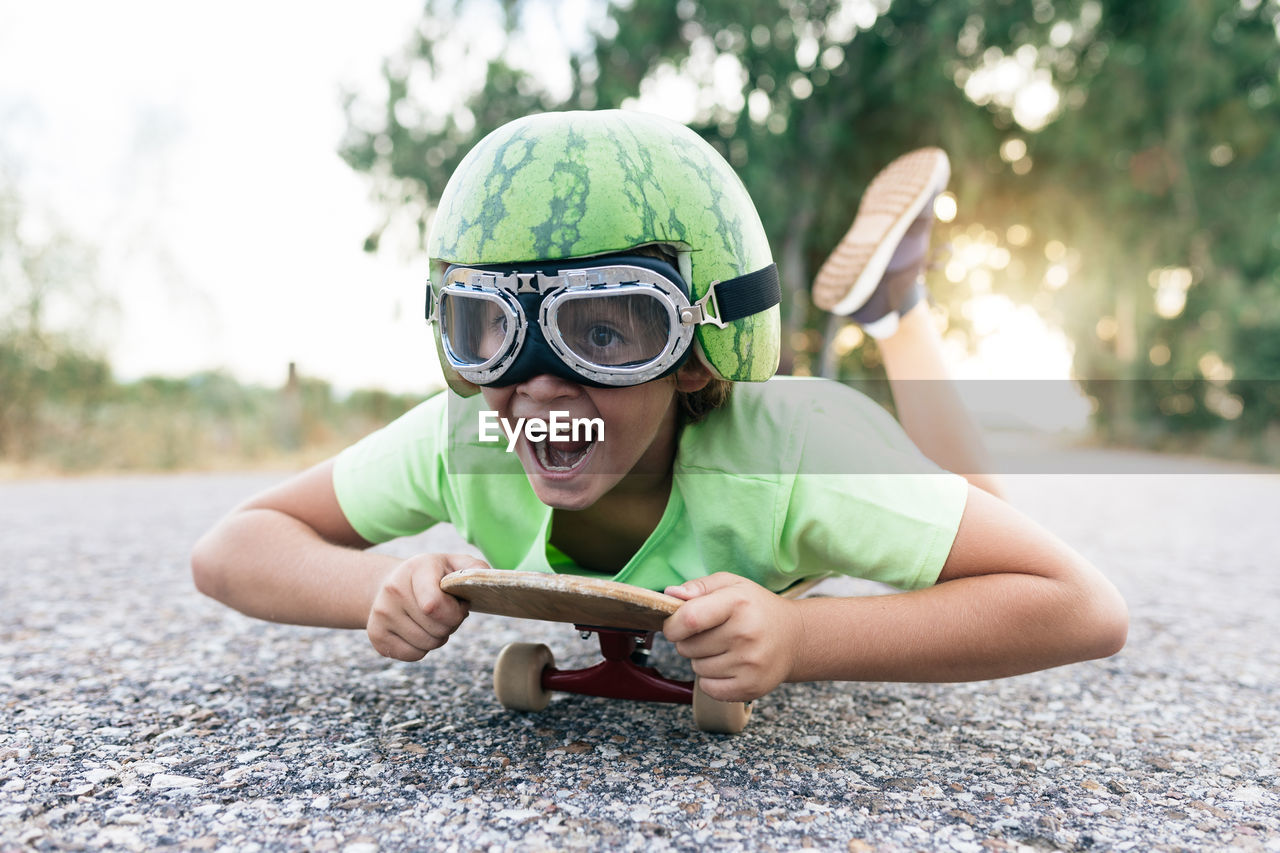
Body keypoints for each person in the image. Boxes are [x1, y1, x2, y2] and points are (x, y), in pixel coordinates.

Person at [191, 110, 1127, 704]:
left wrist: (801, 637)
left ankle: (897, 309)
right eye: (490, 330)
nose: (542, 382)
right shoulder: (470, 436)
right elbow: (231, 547)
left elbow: (1078, 605)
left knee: (983, 509)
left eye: (607, 332)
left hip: (827, 447)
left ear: (692, 356)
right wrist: (377, 589)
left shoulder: (794, 456)